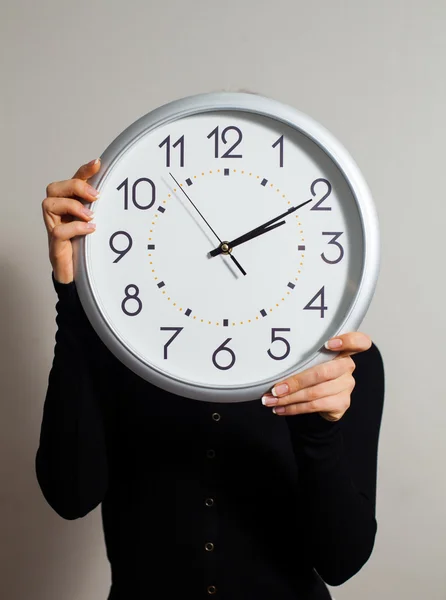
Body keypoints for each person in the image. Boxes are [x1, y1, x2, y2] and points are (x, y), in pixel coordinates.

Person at [36, 158, 385, 600]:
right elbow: (70, 496)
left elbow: (342, 561)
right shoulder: (118, 344)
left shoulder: (342, 365)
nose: (227, 246)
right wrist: (72, 298)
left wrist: (319, 432)